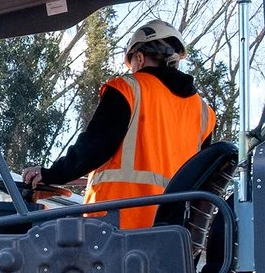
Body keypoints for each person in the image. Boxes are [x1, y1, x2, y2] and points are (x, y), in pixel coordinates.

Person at [23, 18, 218, 230]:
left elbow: (95, 147)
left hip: (116, 227)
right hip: (169, 234)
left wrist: (52, 174)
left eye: (132, 63)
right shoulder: (204, 113)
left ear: (140, 58)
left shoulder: (128, 88)